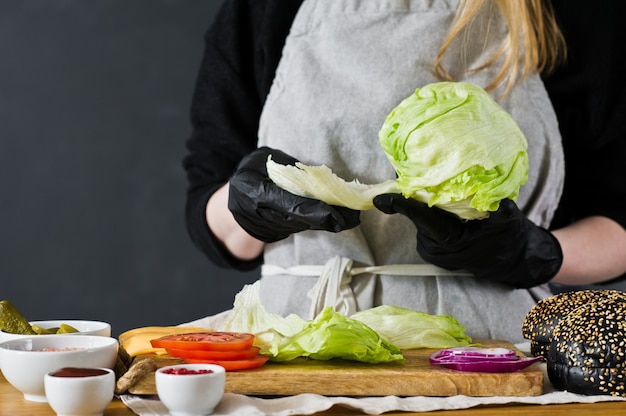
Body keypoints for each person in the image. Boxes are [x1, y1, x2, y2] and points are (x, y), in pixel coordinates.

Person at [183, 0, 626, 343]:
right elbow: (215, 221)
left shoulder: (571, 9)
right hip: (298, 345)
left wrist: (535, 253)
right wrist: (244, 207)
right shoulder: (268, 7)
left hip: (494, 355)